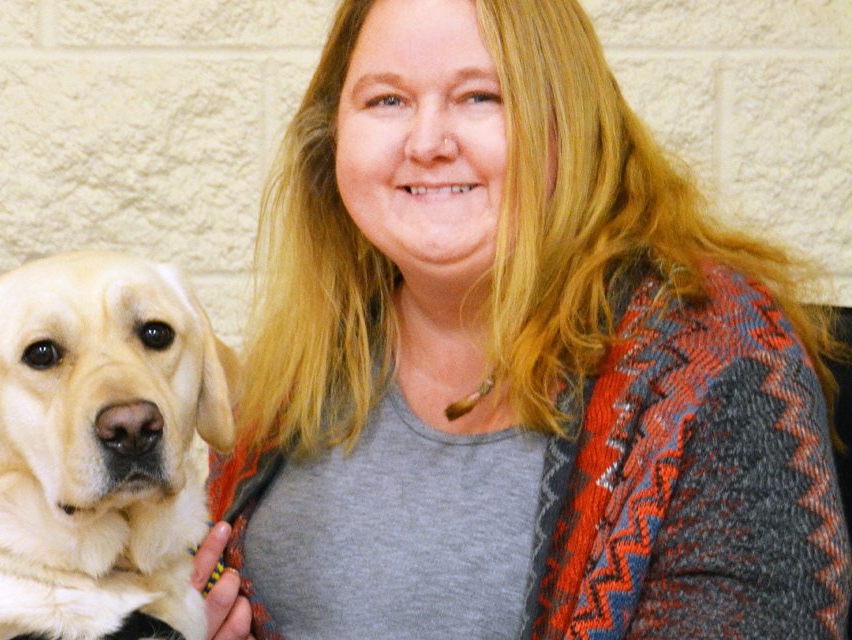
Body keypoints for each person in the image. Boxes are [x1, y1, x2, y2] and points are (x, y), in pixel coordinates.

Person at [189, 0, 852, 638]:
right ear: (332, 132)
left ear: (570, 119)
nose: (427, 141)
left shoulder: (716, 359)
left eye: (482, 96)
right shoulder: (293, 371)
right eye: (385, 100)